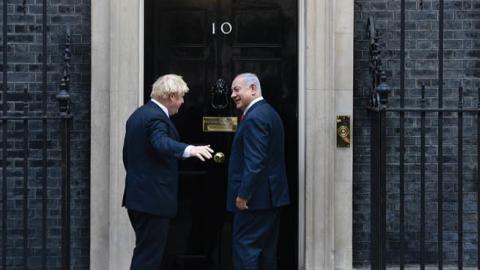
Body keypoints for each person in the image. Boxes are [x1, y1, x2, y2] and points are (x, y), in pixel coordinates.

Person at [122, 74, 214, 269]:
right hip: (152, 200)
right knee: (148, 257)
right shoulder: (156, 118)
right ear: (172, 96)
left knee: (147, 252)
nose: (182, 103)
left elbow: (127, 156)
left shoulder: (138, 115)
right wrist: (190, 149)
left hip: (139, 197)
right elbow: (160, 143)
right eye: (181, 97)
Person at [227, 73, 290, 269]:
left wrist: (243, 195)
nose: (232, 95)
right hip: (269, 198)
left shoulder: (255, 117)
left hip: (254, 201)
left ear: (253, 88)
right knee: (265, 253)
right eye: (232, 90)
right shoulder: (268, 113)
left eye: (237, 89)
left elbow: (255, 162)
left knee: (246, 250)